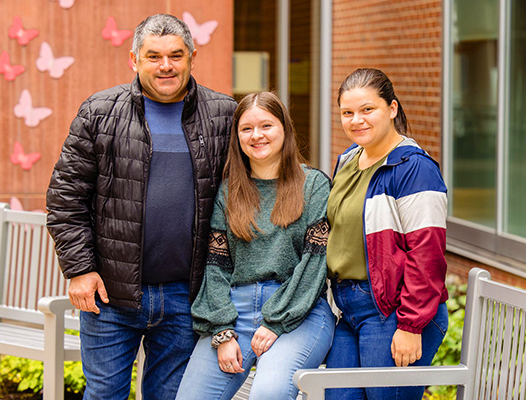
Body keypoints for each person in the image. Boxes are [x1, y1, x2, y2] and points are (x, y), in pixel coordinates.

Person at [46, 14, 237, 400]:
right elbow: (65, 197)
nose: (165, 66)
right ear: (134, 60)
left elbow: (251, 190)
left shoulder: (224, 115)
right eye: (153, 56)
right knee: (104, 395)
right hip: (110, 294)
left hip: (189, 295)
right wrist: (80, 269)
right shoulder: (99, 112)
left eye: (175, 55)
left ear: (192, 57)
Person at [175, 91, 335, 400]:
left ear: (284, 129)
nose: (256, 135)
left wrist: (276, 321)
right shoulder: (230, 191)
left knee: (268, 394)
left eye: (266, 126)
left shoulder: (313, 185)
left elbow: (314, 265)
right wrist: (222, 331)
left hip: (299, 313)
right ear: (236, 137)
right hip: (237, 310)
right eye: (246, 128)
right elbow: (216, 267)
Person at [324, 68, 449, 400]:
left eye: (368, 109)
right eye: (347, 113)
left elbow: (428, 256)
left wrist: (411, 326)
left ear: (392, 108)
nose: (356, 120)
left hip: (393, 309)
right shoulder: (348, 161)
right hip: (348, 307)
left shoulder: (414, 169)